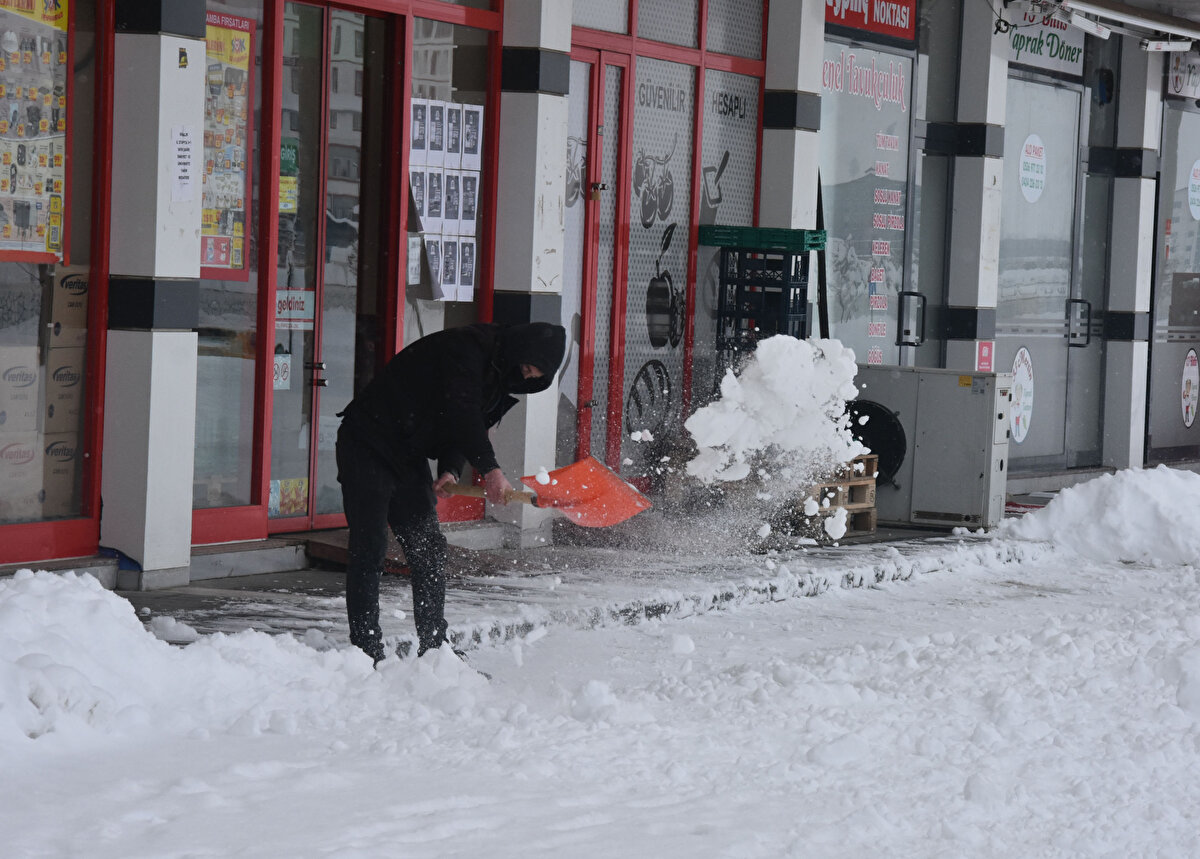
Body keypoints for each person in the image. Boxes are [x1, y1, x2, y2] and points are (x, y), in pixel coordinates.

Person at [335, 321, 567, 664]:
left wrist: (450, 469)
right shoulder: (466, 349)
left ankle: (434, 649)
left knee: (428, 549)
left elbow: (466, 424)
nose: (530, 376)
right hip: (368, 441)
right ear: (522, 348)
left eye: (538, 376)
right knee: (369, 547)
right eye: (532, 366)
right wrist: (491, 471)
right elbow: (462, 410)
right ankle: (366, 651)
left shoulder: (500, 376)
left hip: (406, 455)